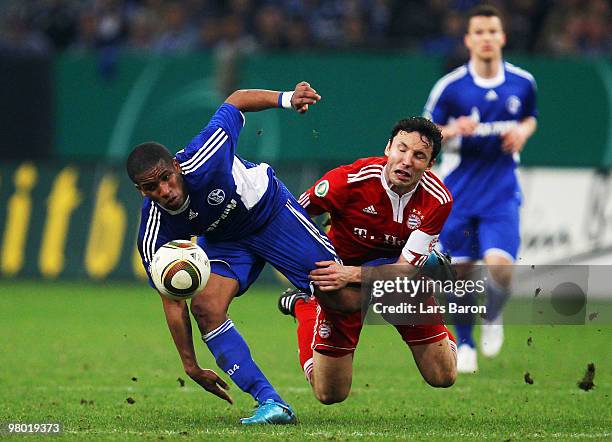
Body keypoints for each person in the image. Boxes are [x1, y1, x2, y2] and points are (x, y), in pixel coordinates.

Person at [127, 81, 340, 424]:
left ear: (176, 167)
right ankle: (270, 402)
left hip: (269, 212)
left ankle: (396, 269)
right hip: (226, 241)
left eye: (166, 178)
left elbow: (236, 100)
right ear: (141, 191)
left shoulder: (204, 155)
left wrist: (287, 99)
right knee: (206, 308)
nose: (164, 191)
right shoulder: (153, 231)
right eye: (152, 187)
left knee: (343, 292)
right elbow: (172, 300)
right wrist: (190, 365)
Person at [278, 117, 458, 404]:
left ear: (430, 164)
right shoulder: (346, 181)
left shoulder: (438, 200)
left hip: (396, 280)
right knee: (329, 394)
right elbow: (289, 217)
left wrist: (349, 274)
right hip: (343, 282)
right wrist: (307, 264)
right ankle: (304, 305)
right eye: (401, 149)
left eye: (419, 155)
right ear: (388, 148)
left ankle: (429, 287)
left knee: (443, 376)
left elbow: (402, 273)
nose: (407, 160)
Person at [423, 4, 538, 373]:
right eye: (480, 32)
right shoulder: (452, 87)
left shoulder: (522, 82)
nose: (487, 38)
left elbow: (529, 117)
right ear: (468, 39)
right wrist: (452, 130)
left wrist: (522, 132)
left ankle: (492, 314)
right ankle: (467, 342)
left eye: (493, 31)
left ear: (502, 37)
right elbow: (425, 133)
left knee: (500, 267)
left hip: (501, 188)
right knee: (461, 271)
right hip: (459, 189)